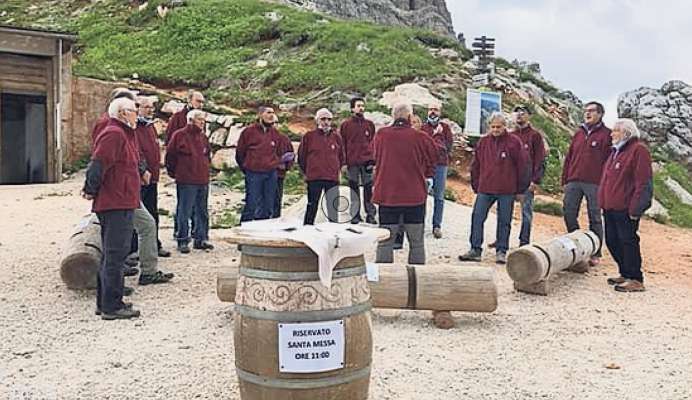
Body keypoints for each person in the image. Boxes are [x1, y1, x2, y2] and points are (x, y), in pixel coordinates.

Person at [82, 97, 142, 320]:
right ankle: (111, 305)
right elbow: (98, 164)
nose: (137, 114)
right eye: (133, 110)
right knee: (116, 255)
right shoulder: (114, 134)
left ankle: (105, 301)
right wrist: (90, 188)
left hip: (121, 200)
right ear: (123, 113)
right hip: (115, 202)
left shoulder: (122, 134)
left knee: (112, 254)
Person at [459, 112, 529, 264]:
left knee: (504, 221)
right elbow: (476, 165)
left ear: (505, 126)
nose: (496, 129)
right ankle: (475, 249)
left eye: (499, 127)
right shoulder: (483, 142)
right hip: (485, 188)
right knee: (477, 217)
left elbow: (523, 166)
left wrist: (521, 190)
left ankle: (501, 251)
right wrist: (476, 185)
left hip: (507, 190)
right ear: (489, 127)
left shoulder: (514, 142)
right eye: (493, 127)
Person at [373, 103, 437, 265]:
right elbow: (435, 157)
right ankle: (417, 282)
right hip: (414, 197)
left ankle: (384, 281)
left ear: (393, 117)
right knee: (416, 243)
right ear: (410, 117)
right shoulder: (420, 137)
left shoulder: (381, 135)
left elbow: (372, 157)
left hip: (388, 195)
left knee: (385, 242)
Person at [598, 119, 653, 292]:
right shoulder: (616, 152)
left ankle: (635, 278)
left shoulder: (638, 150)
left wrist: (636, 208)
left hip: (626, 208)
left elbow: (643, 182)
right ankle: (625, 273)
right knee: (613, 241)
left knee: (628, 242)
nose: (611, 134)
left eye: (615, 131)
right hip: (610, 206)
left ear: (627, 133)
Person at [562, 101, 612, 266]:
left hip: (595, 183)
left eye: (591, 111)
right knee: (569, 212)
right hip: (574, 181)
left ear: (600, 114)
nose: (587, 114)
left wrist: (606, 184)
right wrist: (565, 180)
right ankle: (577, 245)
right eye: (586, 111)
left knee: (595, 217)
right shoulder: (578, 133)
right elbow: (569, 157)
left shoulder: (607, 135)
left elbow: (609, 162)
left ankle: (595, 251)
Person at [165, 109, 214, 253]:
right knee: (184, 211)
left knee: (202, 211)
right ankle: (182, 240)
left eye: (204, 120)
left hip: (202, 179)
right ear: (191, 120)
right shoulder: (179, 136)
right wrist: (175, 173)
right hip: (186, 180)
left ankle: (201, 238)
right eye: (200, 120)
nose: (203, 123)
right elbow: (170, 157)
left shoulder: (203, 137)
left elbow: (208, 155)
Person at [134, 96, 171, 258]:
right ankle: (135, 249)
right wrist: (142, 171)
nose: (150, 109)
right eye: (146, 107)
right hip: (141, 178)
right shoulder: (135, 128)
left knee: (152, 212)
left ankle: (154, 245)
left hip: (152, 178)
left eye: (151, 107)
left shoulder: (150, 126)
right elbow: (136, 151)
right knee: (140, 216)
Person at [297, 108, 344, 225]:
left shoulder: (337, 137)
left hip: (332, 178)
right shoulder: (309, 136)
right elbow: (302, 157)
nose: (326, 122)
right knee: (312, 206)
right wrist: (308, 171)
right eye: (323, 119)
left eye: (329, 119)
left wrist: (335, 169)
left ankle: (333, 232)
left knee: (333, 208)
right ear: (317, 120)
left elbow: (341, 157)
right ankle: (307, 230)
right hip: (314, 178)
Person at [236, 106, 281, 222]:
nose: (271, 115)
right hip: (254, 173)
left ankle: (262, 231)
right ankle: (244, 228)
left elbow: (279, 152)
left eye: (273, 113)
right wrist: (247, 167)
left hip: (271, 174)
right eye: (268, 112)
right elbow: (240, 153)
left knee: (268, 205)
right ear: (260, 115)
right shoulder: (248, 132)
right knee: (251, 203)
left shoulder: (275, 133)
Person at [509, 105, 547, 246]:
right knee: (505, 211)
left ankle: (524, 241)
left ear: (529, 116)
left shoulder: (535, 136)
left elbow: (540, 160)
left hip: (527, 182)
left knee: (526, 213)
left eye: (523, 112)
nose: (519, 115)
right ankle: (502, 238)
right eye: (517, 112)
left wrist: (535, 181)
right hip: (510, 181)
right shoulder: (511, 135)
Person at [340, 97, 377, 224]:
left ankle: (370, 214)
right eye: (358, 105)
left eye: (362, 105)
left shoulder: (369, 125)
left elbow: (373, 143)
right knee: (353, 188)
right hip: (352, 162)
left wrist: (373, 160)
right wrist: (344, 162)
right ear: (352, 108)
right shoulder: (346, 125)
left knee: (368, 189)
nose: (361, 108)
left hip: (367, 161)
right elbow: (342, 144)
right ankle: (355, 215)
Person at [422, 103, 454, 239]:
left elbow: (448, 146)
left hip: (441, 165)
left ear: (440, 112)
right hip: (425, 165)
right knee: (421, 195)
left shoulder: (445, 128)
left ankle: (437, 226)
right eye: (430, 109)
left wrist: (435, 142)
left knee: (439, 197)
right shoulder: (423, 128)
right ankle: (419, 224)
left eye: (435, 110)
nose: (432, 112)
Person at [274, 121, 295, 218]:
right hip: (262, 174)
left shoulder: (284, 139)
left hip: (278, 175)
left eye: (276, 123)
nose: (274, 125)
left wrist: (286, 167)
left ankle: (275, 221)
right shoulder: (259, 137)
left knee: (277, 200)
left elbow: (291, 155)